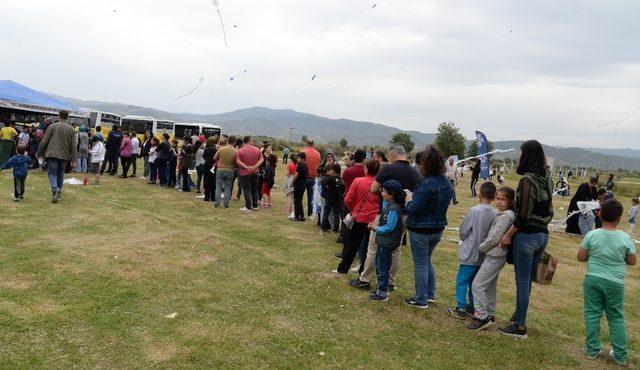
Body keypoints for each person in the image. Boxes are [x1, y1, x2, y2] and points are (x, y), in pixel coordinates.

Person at [498, 140, 553, 339]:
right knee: (527, 280)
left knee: (522, 282)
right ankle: (518, 315)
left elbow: (522, 216)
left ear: (527, 156)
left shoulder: (527, 181)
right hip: (542, 236)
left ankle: (520, 326)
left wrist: (507, 234)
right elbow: (549, 210)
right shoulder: (546, 177)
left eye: (521, 153)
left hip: (527, 237)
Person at [350, 144, 421, 290]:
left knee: (374, 246)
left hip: (387, 212)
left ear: (392, 155)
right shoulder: (415, 172)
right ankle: (390, 282)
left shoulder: (388, 168)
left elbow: (373, 188)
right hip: (405, 214)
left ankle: (365, 279)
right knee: (395, 248)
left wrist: (384, 195)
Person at [578, 199, 636, 366]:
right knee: (616, 316)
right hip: (615, 283)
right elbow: (632, 261)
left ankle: (592, 350)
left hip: (593, 279)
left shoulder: (592, 234)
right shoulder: (625, 238)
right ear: (619, 219)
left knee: (592, 314)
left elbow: (581, 257)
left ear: (599, 214)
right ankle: (620, 355)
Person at [404, 145, 453, 308]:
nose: (418, 167)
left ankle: (420, 298)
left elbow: (414, 209)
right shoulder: (446, 182)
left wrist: (409, 199)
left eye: (420, 164)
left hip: (421, 229)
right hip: (437, 229)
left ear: (425, 164)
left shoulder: (426, 184)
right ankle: (430, 294)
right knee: (426, 260)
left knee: (420, 263)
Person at [467, 187, 516, 331]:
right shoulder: (506, 215)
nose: (499, 202)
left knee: (478, 285)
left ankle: (481, 317)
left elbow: (494, 238)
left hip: (494, 255)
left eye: (503, 199)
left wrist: (481, 248)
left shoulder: (505, 217)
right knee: (489, 286)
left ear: (510, 201)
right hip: (496, 255)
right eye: (498, 198)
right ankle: (490, 314)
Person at [447, 182, 497, 320]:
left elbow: (463, 231)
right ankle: (473, 306)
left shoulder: (474, 211)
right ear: (494, 197)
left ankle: (461, 308)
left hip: (470, 253)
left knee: (462, 281)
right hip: (483, 255)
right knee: (474, 283)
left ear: (479, 194)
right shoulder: (495, 213)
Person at [334, 160, 380, 274]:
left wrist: (354, 210)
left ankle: (343, 269)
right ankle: (364, 271)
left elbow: (348, 199)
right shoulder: (380, 184)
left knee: (352, 245)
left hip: (360, 217)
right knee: (370, 248)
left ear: (367, 169)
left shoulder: (358, 181)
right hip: (374, 220)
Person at [368, 180, 405, 302]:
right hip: (384, 241)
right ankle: (381, 288)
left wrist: (376, 228)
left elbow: (390, 227)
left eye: (383, 191)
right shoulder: (389, 204)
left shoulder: (394, 209)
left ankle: (382, 293)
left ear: (392, 194)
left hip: (387, 242)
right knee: (380, 265)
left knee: (383, 267)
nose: (381, 193)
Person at [36, 110, 78, 203]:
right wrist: (74, 158)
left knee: (52, 173)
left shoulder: (52, 126)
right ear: (68, 117)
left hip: (52, 153)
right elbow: (74, 145)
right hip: (65, 155)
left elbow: (44, 141)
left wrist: (39, 152)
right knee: (60, 173)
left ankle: (55, 190)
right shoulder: (72, 129)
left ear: (59, 116)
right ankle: (58, 193)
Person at [236, 136, 263, 211]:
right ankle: (255, 205)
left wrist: (247, 167)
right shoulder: (257, 149)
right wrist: (255, 166)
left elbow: (238, 161)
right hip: (255, 172)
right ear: (250, 141)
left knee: (247, 189)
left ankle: (248, 206)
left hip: (244, 173)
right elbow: (261, 159)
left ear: (244, 141)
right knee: (254, 189)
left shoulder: (240, 150)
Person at [321, 163, 343, 235]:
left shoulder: (330, 178)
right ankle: (335, 229)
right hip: (337, 198)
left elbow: (327, 187)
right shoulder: (340, 180)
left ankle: (324, 228)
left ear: (333, 170)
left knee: (326, 212)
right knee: (336, 214)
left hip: (329, 197)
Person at [302, 139, 321, 218]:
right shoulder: (318, 154)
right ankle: (310, 214)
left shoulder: (303, 152)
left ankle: (298, 212)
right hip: (313, 177)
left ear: (307, 143)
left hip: (303, 176)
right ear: (313, 144)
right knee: (311, 197)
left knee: (299, 195)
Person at [292, 152, 308, 221]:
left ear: (303, 159)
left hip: (298, 185)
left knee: (296, 201)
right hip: (303, 185)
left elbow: (296, 175)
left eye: (298, 158)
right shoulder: (306, 166)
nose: (297, 159)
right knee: (300, 201)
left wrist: (292, 183)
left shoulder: (300, 166)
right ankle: (302, 216)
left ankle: (296, 216)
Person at [202, 136, 218, 202]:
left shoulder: (206, 149)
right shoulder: (216, 149)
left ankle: (207, 197)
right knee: (213, 182)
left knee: (206, 182)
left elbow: (204, 157)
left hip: (207, 166)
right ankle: (213, 197)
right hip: (214, 166)